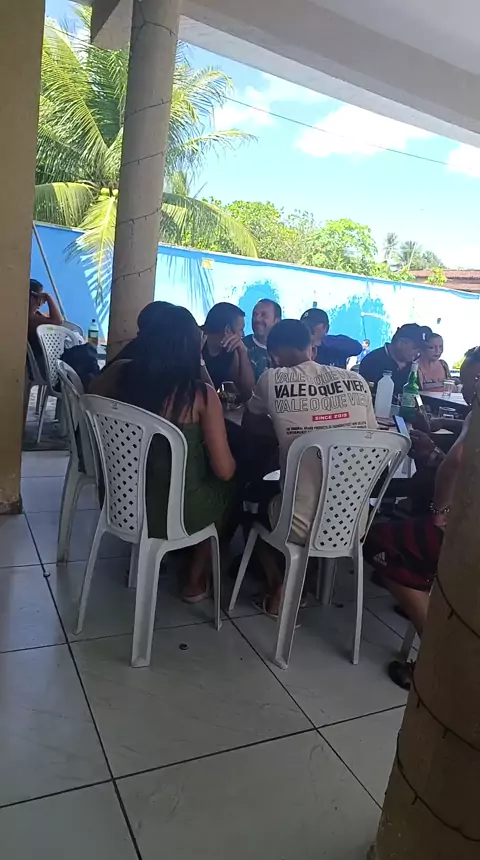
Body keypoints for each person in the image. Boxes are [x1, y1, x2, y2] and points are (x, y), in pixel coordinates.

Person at [89, 305, 236, 602]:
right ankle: (194, 578)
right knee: (231, 484)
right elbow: (224, 471)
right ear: (190, 347)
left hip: (121, 501)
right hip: (177, 512)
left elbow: (89, 400)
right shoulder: (199, 395)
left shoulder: (117, 374)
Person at [246, 318, 377, 616]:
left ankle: (281, 586)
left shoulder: (271, 378)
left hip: (296, 524)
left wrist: (287, 432)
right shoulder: (357, 381)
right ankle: (310, 574)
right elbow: (371, 437)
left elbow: (250, 423)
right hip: (353, 522)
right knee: (320, 491)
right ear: (312, 348)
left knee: (250, 501)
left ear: (274, 356)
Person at [359, 322, 432, 396]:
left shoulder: (411, 365)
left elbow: (416, 394)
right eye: (415, 348)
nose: (418, 353)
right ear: (400, 343)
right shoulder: (372, 361)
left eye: (420, 350)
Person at [202, 302, 255, 400]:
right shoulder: (192, 342)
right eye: (241, 329)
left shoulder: (230, 350)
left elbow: (248, 392)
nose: (243, 335)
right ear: (227, 330)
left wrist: (243, 352)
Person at [243, 299, 282, 380]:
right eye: (255, 314)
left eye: (264, 315)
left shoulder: (286, 350)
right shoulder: (241, 346)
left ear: (277, 321)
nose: (257, 319)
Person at [28, 279, 63, 351]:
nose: (42, 302)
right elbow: (58, 321)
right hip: (43, 355)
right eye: (41, 298)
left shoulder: (35, 315)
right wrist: (48, 297)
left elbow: (53, 316)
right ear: (32, 298)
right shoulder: (31, 318)